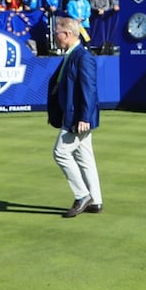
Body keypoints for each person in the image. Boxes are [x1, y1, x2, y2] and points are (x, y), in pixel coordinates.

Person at [46, 16, 102, 218]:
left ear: (67, 34)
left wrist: (84, 117)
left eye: (57, 34)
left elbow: (89, 90)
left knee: (60, 153)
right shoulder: (72, 55)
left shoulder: (82, 56)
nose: (56, 38)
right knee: (85, 158)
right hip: (72, 116)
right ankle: (95, 200)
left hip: (78, 118)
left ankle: (82, 195)